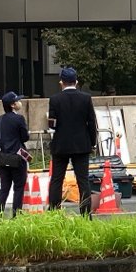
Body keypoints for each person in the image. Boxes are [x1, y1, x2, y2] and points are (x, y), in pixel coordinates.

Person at [46, 66, 99, 216]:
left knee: (57, 179)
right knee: (83, 181)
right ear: (76, 81)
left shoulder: (55, 99)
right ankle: (85, 214)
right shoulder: (86, 98)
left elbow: (52, 124)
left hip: (61, 144)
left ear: (61, 82)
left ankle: (54, 213)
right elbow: (91, 123)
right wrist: (92, 142)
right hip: (81, 144)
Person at [0, 90, 29, 217]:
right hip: (17, 158)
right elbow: (25, 137)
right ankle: (16, 216)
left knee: (4, 188)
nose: (19, 102)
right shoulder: (19, 119)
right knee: (18, 188)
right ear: (12, 105)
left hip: (3, 159)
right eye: (17, 100)